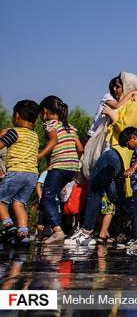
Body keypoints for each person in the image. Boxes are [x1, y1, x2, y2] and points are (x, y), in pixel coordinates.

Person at [66, 72, 137, 247]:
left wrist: (113, 115)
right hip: (113, 150)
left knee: (96, 185)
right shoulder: (131, 100)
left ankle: (86, 231)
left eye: (120, 85)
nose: (117, 89)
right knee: (115, 195)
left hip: (117, 151)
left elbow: (129, 129)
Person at [37, 96, 84, 244]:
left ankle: (57, 231)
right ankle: (52, 228)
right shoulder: (70, 126)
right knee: (53, 197)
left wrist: (40, 155)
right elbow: (80, 148)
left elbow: (53, 141)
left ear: (45, 111)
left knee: (46, 197)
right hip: (72, 167)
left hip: (60, 165)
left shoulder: (50, 124)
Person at [0, 100, 41, 245]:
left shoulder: (14, 132)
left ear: (16, 115)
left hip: (16, 172)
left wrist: (1, 134)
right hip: (32, 175)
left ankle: (9, 227)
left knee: (1, 201)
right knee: (19, 204)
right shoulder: (34, 135)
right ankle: (23, 235)